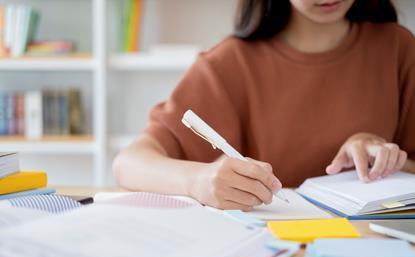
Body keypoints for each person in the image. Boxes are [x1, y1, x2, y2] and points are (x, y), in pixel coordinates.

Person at [113, 0, 415, 211]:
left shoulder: (399, 49)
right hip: (272, 252)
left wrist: (388, 161)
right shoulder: (228, 63)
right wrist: (198, 181)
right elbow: (128, 164)